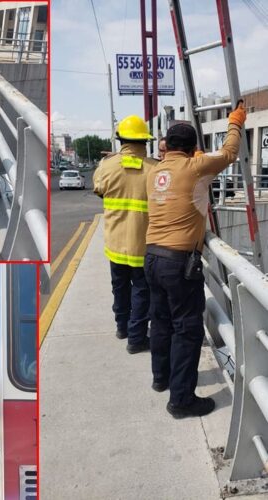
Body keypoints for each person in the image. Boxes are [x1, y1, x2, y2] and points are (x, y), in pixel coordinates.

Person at [145, 102, 246, 418]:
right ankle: (181, 400)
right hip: (178, 263)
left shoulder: (156, 171)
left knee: (160, 321)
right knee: (187, 329)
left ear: (167, 146)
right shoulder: (194, 167)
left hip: (151, 257)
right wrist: (235, 123)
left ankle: (161, 378)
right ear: (191, 149)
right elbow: (229, 153)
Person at [93, 115, 157, 354]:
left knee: (119, 286)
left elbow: (99, 191)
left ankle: (122, 327)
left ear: (121, 139)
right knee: (142, 290)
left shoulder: (106, 166)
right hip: (143, 244)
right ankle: (137, 338)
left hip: (115, 244)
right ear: (145, 141)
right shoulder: (155, 168)